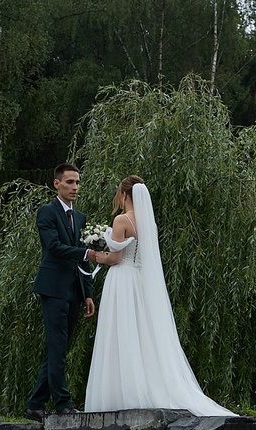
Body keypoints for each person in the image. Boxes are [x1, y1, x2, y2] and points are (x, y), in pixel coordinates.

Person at [82, 176, 234, 415]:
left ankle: (120, 394)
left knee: (121, 332)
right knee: (141, 333)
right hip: (141, 282)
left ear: (123, 195)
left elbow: (116, 258)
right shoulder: (149, 224)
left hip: (122, 280)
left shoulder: (121, 220)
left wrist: (93, 254)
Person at [28, 162, 97, 417]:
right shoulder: (47, 212)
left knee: (60, 347)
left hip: (74, 290)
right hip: (53, 288)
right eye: (70, 182)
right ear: (56, 183)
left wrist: (88, 292)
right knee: (57, 346)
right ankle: (62, 404)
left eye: (77, 182)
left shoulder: (80, 217)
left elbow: (83, 260)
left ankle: (35, 404)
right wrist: (87, 251)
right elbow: (53, 247)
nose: (75, 187)